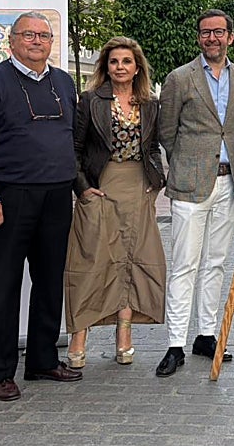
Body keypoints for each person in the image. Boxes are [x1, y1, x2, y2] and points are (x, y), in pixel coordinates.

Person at [0, 11, 80, 401]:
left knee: (48, 282)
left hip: (57, 196)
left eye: (43, 35)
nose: (37, 41)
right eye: (28, 35)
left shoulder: (63, 81)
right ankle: (1, 371)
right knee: (2, 285)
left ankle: (43, 360)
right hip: (7, 199)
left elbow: (71, 137)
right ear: (12, 41)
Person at [64, 37, 166, 368]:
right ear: (105, 67)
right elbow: (75, 149)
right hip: (100, 187)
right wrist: (82, 189)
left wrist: (156, 182)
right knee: (91, 261)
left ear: (137, 67)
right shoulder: (90, 100)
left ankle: (125, 337)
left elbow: (152, 148)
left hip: (137, 187)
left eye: (126, 61)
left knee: (131, 261)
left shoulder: (149, 103)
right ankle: (79, 336)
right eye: (113, 62)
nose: (119, 67)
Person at [155, 9, 234, 377]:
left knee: (216, 263)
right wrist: (186, 163)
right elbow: (166, 130)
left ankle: (205, 336)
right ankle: (175, 343)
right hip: (190, 184)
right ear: (199, 38)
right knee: (184, 264)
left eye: (219, 32)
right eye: (206, 32)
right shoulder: (180, 78)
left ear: (230, 37)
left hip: (230, 183)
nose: (212, 38)